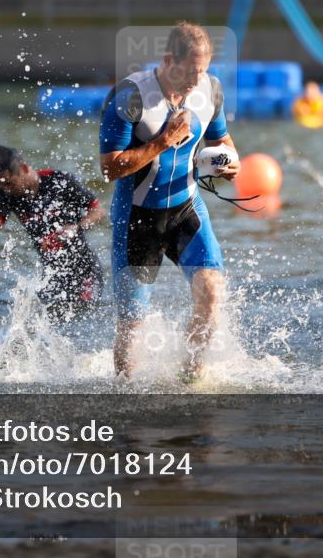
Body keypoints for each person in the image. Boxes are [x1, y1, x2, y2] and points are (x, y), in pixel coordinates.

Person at [99, 22, 241, 381]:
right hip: (137, 220)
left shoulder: (210, 90)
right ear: (168, 60)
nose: (196, 80)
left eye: (202, 71)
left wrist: (230, 163)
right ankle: (126, 397)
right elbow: (110, 168)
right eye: (189, 71)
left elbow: (223, 142)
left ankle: (189, 380)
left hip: (186, 210)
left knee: (212, 293)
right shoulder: (130, 97)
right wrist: (163, 141)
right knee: (133, 324)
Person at [0, 145, 106, 325]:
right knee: (38, 322)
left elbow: (98, 211)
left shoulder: (58, 180)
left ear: (24, 168)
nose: (7, 189)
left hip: (85, 271)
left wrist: (77, 227)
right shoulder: (6, 195)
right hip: (52, 275)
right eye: (2, 185)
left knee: (81, 319)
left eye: (10, 183)